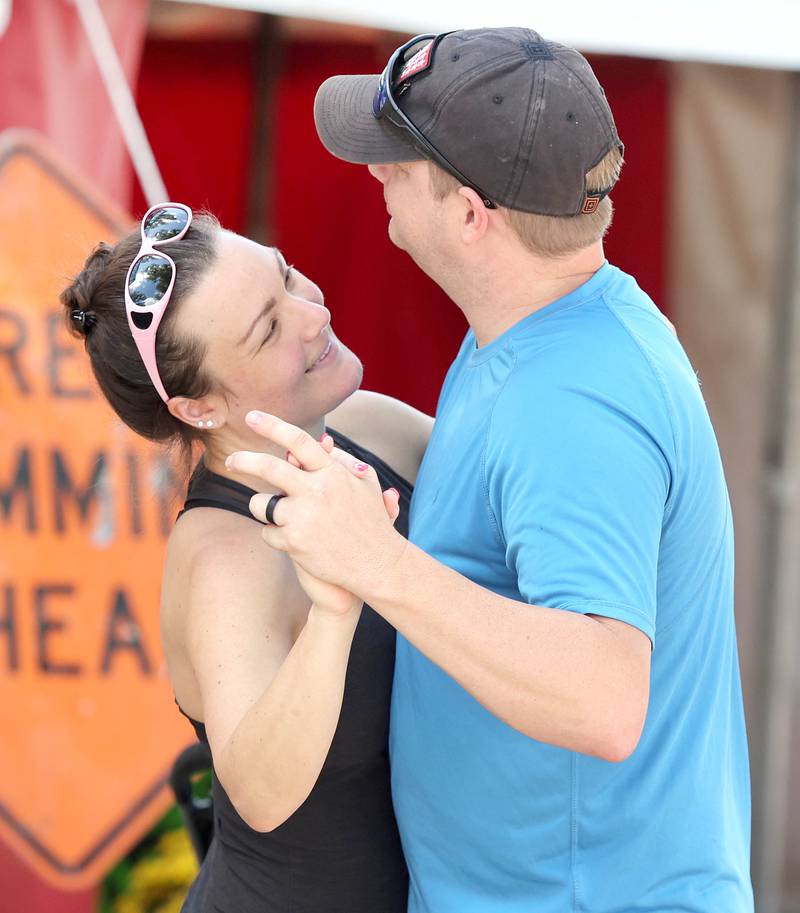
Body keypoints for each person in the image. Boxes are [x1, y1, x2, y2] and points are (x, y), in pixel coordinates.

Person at [226, 27, 754, 913]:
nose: (374, 172)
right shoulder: (545, 328)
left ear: (472, 214)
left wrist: (377, 562)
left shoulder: (573, 399)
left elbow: (603, 699)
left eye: (398, 158)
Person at [60, 203, 434, 912]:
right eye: (268, 329)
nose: (311, 314)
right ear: (200, 408)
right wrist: (333, 608)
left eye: (286, 277)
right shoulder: (221, 560)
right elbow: (260, 793)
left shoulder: (373, 429)